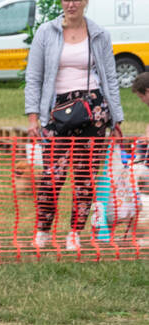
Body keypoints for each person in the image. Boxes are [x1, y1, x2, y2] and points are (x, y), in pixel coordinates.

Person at [25, 0, 123, 252]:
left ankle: (74, 234)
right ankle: (43, 231)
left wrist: (117, 118)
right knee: (52, 176)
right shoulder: (46, 32)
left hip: (94, 111)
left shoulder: (100, 34)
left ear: (85, 2)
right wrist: (33, 116)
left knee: (85, 178)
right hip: (56, 110)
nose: (71, 4)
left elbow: (110, 77)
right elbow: (34, 77)